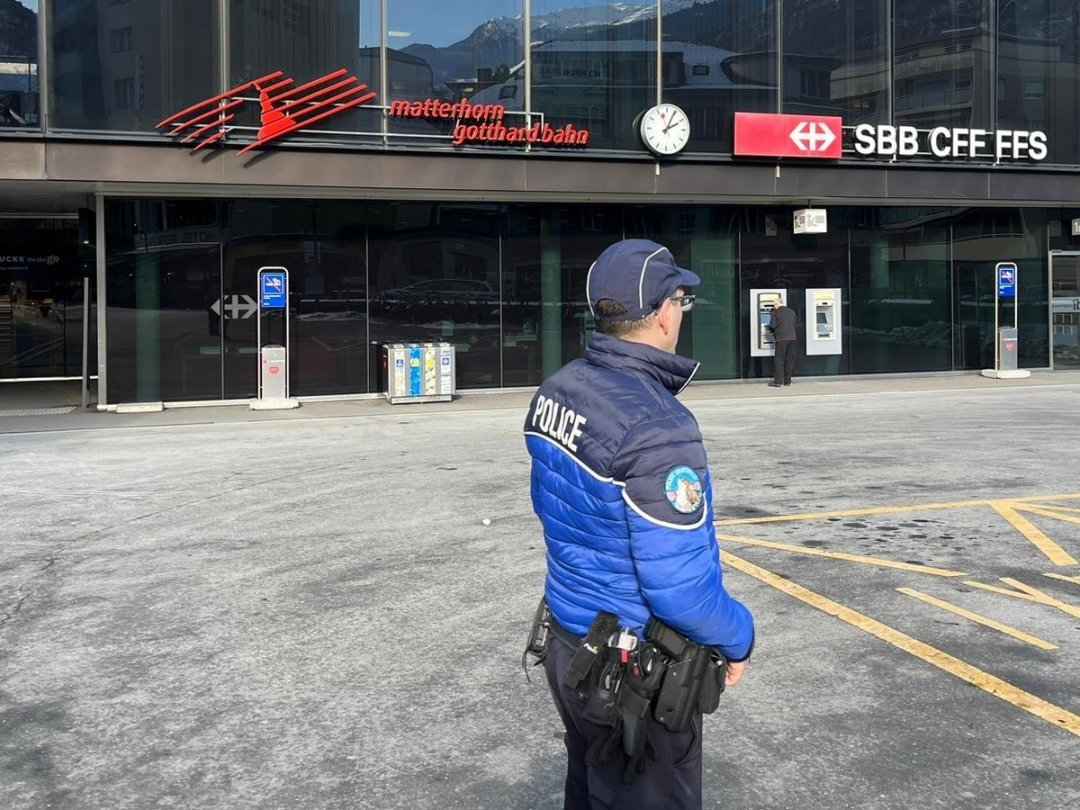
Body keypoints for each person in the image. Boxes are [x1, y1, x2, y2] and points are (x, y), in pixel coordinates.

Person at [523, 239, 755, 810]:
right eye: (681, 298)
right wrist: (739, 634)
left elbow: (552, 509)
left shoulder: (560, 388)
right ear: (663, 311)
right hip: (634, 672)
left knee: (591, 787)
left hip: (569, 642)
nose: (681, 311)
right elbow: (679, 589)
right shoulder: (658, 425)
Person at [767, 297, 797, 387]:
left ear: (776, 304)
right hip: (792, 339)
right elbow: (795, 324)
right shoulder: (791, 311)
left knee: (779, 360)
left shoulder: (775, 313)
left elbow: (772, 326)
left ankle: (778, 381)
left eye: (774, 305)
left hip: (781, 339)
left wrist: (769, 329)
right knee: (789, 360)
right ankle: (787, 381)